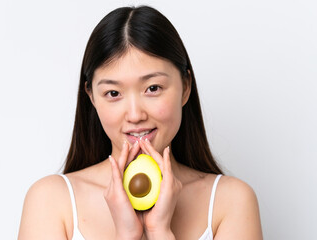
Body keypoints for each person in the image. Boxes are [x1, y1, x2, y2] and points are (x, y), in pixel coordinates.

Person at [18, 6, 263, 240]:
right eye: (113, 93)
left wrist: (160, 232)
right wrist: (126, 235)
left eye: (153, 88)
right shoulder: (51, 200)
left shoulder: (230, 201)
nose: (135, 115)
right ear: (91, 97)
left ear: (185, 87)